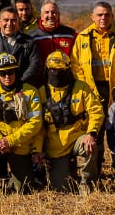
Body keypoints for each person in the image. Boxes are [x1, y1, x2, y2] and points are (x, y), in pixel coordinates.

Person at [0, 53, 44, 200]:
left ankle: (12, 181)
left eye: (10, 72)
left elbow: (35, 123)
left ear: (16, 72)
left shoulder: (30, 92)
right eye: (2, 73)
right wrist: (0, 140)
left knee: (24, 189)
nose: (7, 76)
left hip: (20, 145)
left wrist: (10, 141)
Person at [39, 51, 104, 194]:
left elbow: (96, 111)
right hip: (55, 146)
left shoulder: (81, 87)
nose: (57, 73)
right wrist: (39, 150)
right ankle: (68, 170)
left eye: (61, 70)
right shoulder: (42, 92)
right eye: (53, 70)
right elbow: (38, 125)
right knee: (61, 189)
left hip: (77, 137)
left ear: (68, 69)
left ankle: (86, 181)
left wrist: (91, 134)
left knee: (90, 146)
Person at [71, 1, 115, 112]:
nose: (103, 18)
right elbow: (75, 64)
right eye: (100, 15)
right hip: (92, 87)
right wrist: (84, 85)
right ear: (92, 17)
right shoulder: (83, 37)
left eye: (107, 15)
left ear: (112, 17)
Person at [0, 8, 42, 90]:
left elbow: (35, 65)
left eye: (13, 20)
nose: (10, 23)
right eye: (6, 20)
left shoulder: (29, 42)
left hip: (23, 89)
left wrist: (20, 81)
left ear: (18, 23)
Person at [31, 0, 77, 67]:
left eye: (53, 12)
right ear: (41, 16)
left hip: (65, 76)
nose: (50, 15)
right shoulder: (33, 36)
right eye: (47, 12)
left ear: (58, 15)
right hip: (41, 77)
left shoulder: (71, 34)